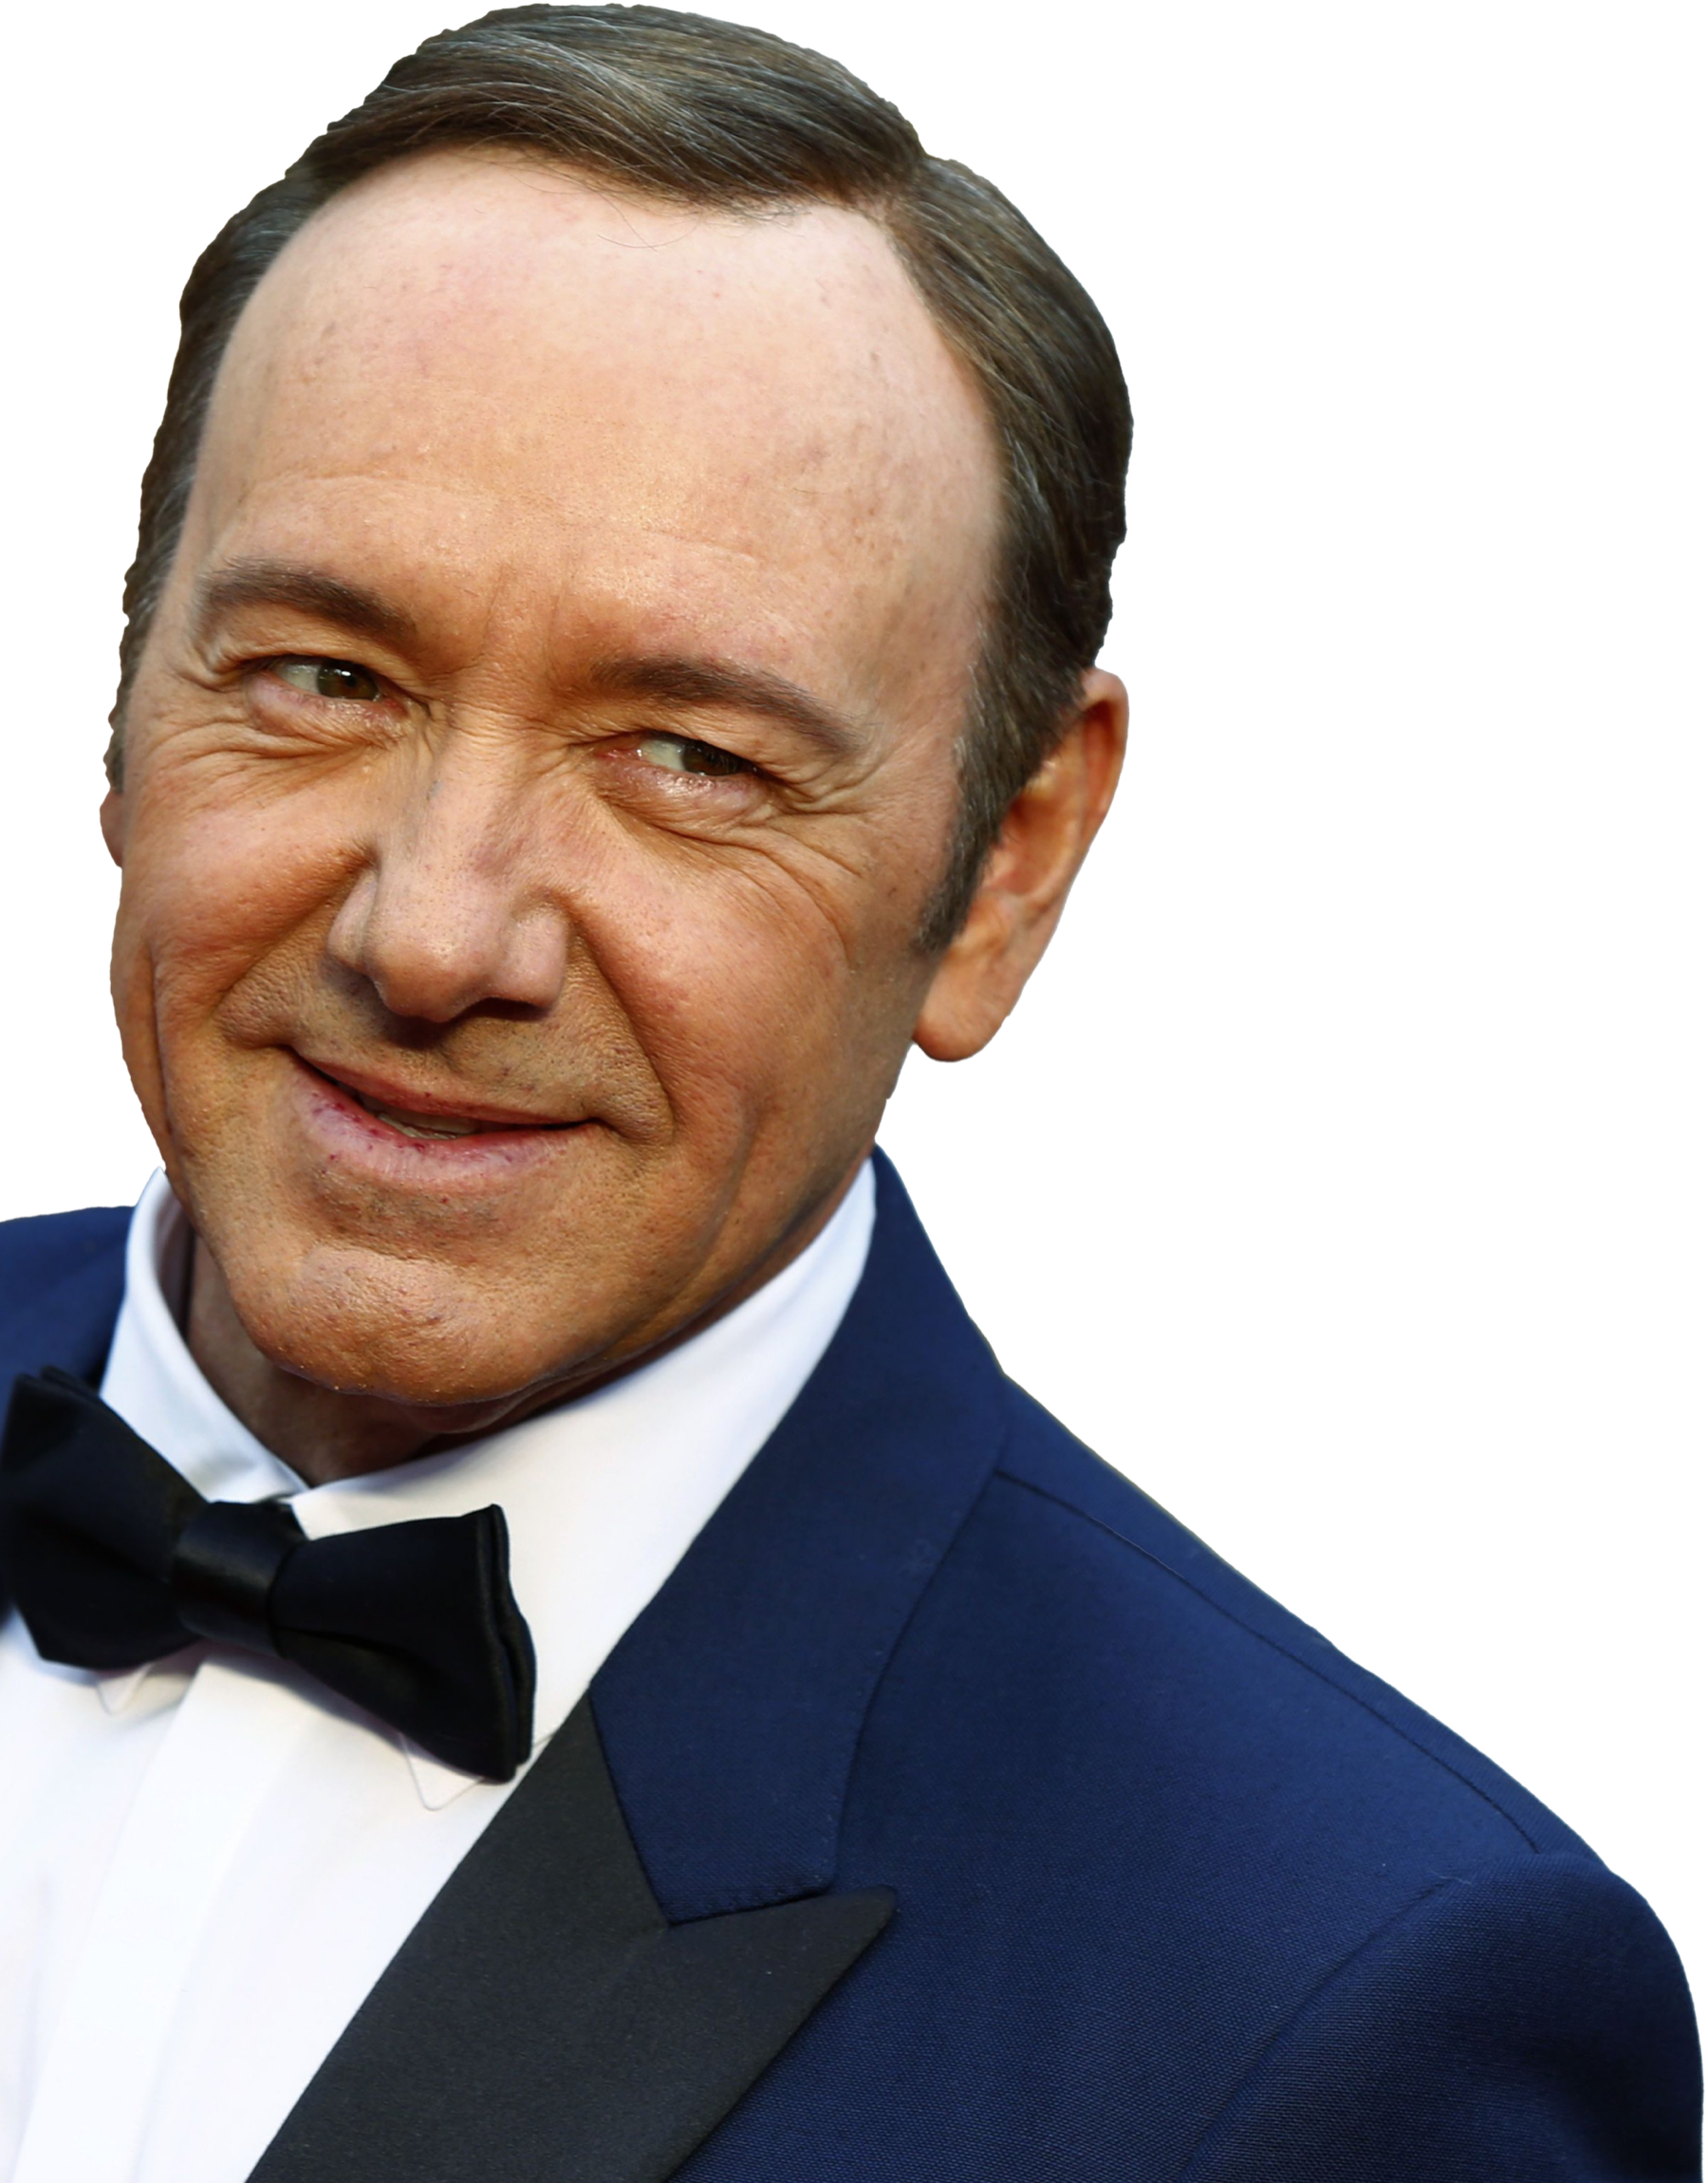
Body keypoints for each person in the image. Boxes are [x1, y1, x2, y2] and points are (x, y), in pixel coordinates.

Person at [0, 9, 1697, 2179]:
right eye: (325, 674)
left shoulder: (1343, 2004)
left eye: (688, 758)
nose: (433, 933)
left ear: (1007, 870)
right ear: (127, 694)